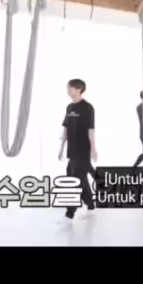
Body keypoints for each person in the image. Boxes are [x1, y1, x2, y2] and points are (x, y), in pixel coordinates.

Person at [58, 78, 97, 219]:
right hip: (72, 149)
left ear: (78, 89)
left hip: (83, 150)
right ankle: (90, 202)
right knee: (77, 177)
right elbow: (66, 128)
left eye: (70, 87)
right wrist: (61, 148)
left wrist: (93, 149)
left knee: (75, 181)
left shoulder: (88, 108)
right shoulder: (69, 107)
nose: (68, 90)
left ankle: (70, 212)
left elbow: (91, 129)